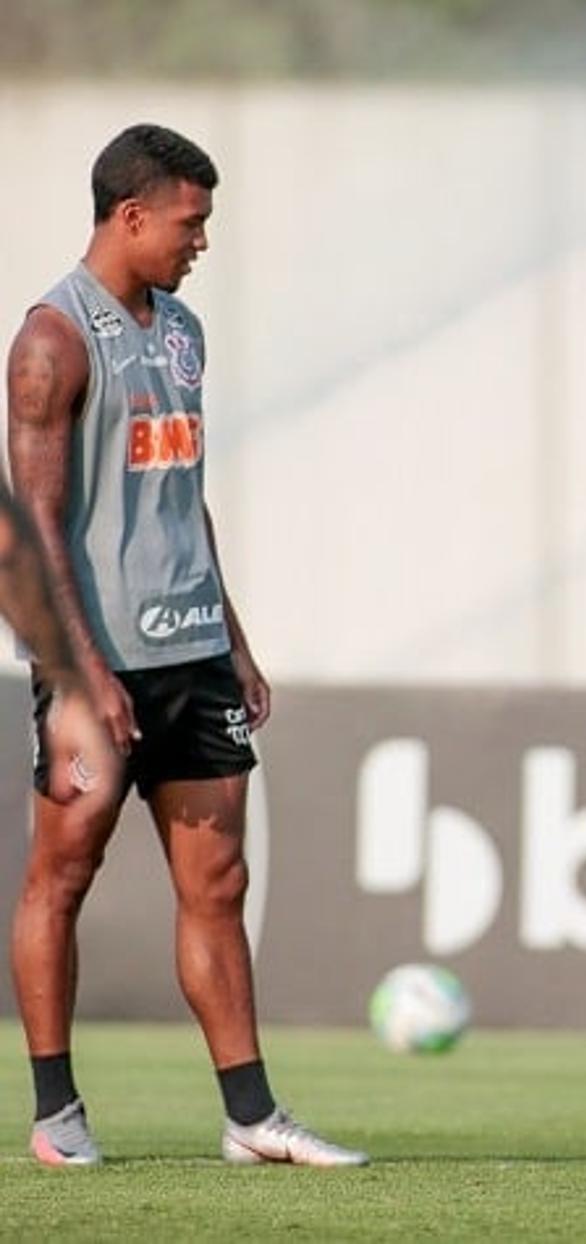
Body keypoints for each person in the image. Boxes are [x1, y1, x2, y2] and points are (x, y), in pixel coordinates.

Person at [6, 123, 366, 1168]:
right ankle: (57, 1110)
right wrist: (80, 675)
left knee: (218, 885)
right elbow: (30, 526)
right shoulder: (52, 340)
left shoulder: (185, 332)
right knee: (59, 880)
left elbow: (182, 497)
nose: (201, 240)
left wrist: (235, 637)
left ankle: (251, 1114)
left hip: (193, 649)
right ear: (131, 215)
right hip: (94, 661)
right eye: (189, 221)